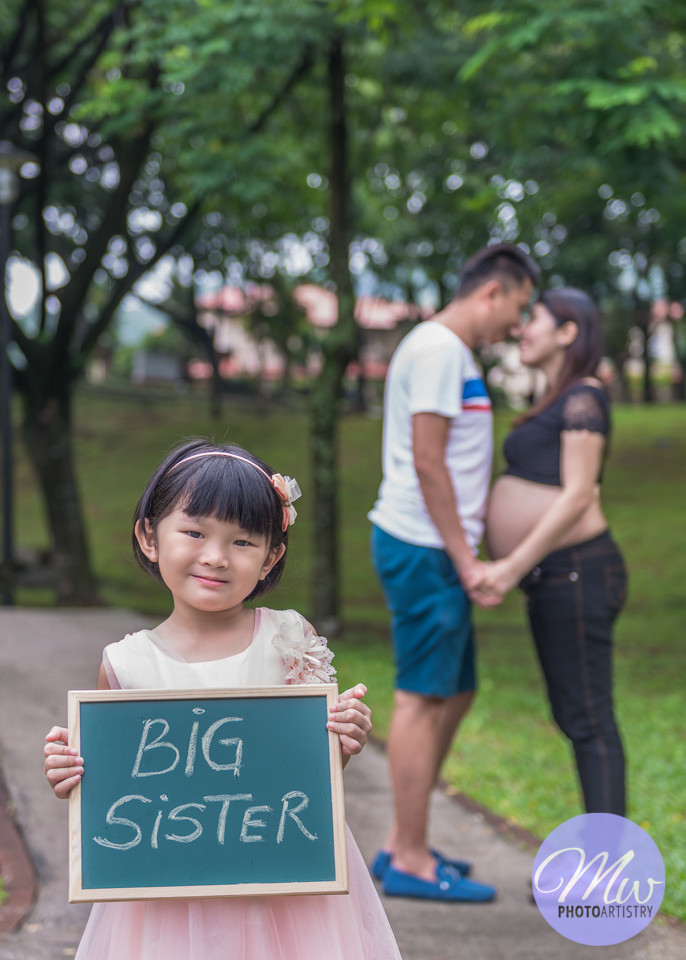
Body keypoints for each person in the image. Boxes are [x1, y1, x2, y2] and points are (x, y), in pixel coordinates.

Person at [43, 439, 402, 960]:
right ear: (149, 536)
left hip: (283, 889)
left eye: (242, 542)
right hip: (163, 898)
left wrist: (343, 741)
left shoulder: (288, 640)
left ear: (270, 556)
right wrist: (70, 775)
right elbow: (113, 789)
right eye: (193, 532)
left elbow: (306, 778)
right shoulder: (124, 664)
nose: (215, 556)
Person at [367, 243, 540, 901]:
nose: (518, 326)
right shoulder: (439, 349)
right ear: (492, 292)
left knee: (457, 689)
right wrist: (465, 560)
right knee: (422, 695)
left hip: (434, 547)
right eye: (518, 308)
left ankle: (399, 841)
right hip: (424, 547)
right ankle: (409, 858)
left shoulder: (450, 352)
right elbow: (429, 461)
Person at [481, 287, 627, 816]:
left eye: (533, 318)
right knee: (574, 716)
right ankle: (599, 861)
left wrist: (511, 566)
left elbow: (579, 494)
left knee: (589, 720)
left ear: (568, 331)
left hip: (578, 571)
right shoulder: (555, 401)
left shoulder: (584, 396)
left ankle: (608, 877)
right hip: (555, 576)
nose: (522, 327)